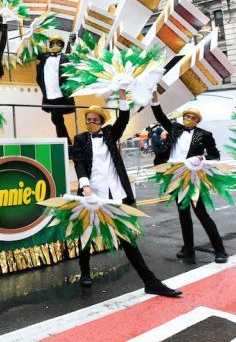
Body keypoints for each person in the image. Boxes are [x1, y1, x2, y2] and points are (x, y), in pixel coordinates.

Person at [70, 88, 182, 297]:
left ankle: (150, 282)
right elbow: (79, 164)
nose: (91, 122)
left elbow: (123, 117)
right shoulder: (80, 139)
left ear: (101, 121)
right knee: (85, 234)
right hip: (92, 194)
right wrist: (86, 188)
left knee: (128, 239)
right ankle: (85, 271)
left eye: (95, 119)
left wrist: (122, 94)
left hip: (116, 193)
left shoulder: (111, 133)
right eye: (88, 119)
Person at [151, 95, 228, 263]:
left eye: (193, 118)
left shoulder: (205, 134)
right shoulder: (174, 128)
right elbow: (160, 116)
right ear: (183, 117)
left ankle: (220, 250)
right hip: (176, 175)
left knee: (201, 213)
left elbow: (215, 155)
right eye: (187, 116)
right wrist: (154, 99)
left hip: (193, 176)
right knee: (183, 212)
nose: (189, 119)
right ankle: (188, 247)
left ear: (198, 121)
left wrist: (201, 157)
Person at [36, 36, 74, 141]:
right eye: (53, 43)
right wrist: (29, 36)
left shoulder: (66, 57)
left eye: (58, 43)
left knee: (56, 118)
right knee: (57, 119)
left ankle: (65, 141)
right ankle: (65, 141)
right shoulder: (45, 56)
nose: (55, 45)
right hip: (49, 93)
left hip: (61, 93)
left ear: (62, 45)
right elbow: (34, 52)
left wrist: (72, 42)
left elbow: (74, 59)